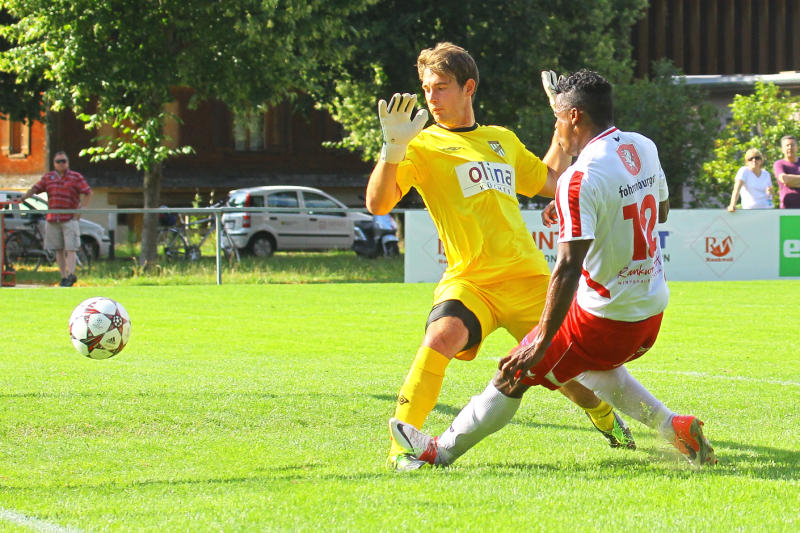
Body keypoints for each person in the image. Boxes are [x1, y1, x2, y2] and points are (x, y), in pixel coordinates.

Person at [389, 69, 717, 469]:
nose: (556, 128)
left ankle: (438, 452)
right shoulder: (642, 146)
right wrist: (582, 208)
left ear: (574, 116)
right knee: (593, 371)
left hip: (606, 317)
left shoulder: (579, 178)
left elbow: (567, 267)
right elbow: (659, 210)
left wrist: (540, 340)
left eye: (557, 118)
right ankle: (673, 427)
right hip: (651, 312)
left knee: (514, 372)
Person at [368, 43, 635, 471]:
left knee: (567, 376)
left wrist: (561, 120)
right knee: (438, 339)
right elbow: (378, 203)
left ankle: (604, 416)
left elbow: (552, 180)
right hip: (470, 281)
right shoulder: (421, 145)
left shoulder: (501, 140)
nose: (431, 98)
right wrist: (391, 148)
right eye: (426, 88)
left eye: (441, 87)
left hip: (528, 279)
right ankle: (403, 447)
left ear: (468, 87)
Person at [20, 151, 92, 286]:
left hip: (69, 219)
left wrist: (81, 209)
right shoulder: (48, 177)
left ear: (68, 162)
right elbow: (35, 189)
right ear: (54, 163)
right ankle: (63, 276)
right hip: (53, 219)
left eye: (63, 161)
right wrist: (23, 198)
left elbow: (87, 192)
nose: (61, 164)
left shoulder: (75, 177)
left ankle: (71, 274)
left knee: (71, 248)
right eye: (58, 161)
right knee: (58, 249)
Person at [773, 135, 800, 208]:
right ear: (782, 149)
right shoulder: (779, 164)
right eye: (787, 145)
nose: (789, 148)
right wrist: (788, 181)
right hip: (787, 208)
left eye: (792, 145)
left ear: (797, 147)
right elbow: (784, 179)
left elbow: (788, 181)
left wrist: (791, 182)